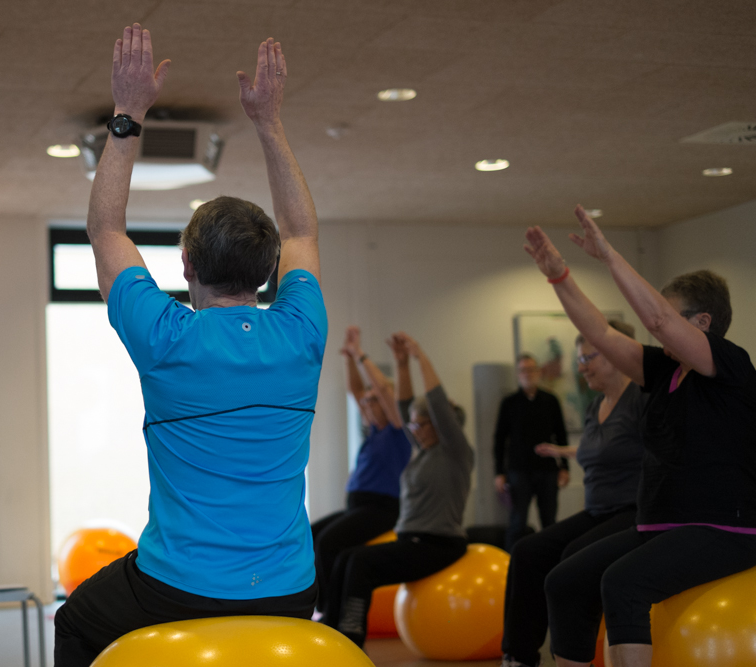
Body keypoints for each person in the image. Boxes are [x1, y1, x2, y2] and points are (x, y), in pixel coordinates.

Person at [52, 25, 327, 665]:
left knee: (74, 622)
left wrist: (128, 114)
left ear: (185, 266)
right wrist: (269, 122)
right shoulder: (302, 330)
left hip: (180, 590)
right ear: (269, 271)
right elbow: (302, 227)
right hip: (290, 591)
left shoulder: (166, 338)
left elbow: (105, 229)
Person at [525, 207, 756, 667]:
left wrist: (609, 256)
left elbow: (658, 322)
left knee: (623, 582)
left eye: (671, 312)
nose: (659, 319)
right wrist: (561, 278)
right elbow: (599, 332)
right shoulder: (666, 370)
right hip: (660, 526)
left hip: (724, 529)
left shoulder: (730, 365)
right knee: (564, 582)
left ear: (703, 323)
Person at [500, 320, 645, 667]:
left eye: (588, 358)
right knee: (527, 551)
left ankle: (575, 658)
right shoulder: (596, 407)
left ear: (616, 351)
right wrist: (562, 453)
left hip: (632, 510)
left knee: (573, 556)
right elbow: (596, 451)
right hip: (597, 510)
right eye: (579, 360)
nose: (581, 368)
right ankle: (518, 657)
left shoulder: (643, 400)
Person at [322, 331, 473, 649]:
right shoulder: (422, 452)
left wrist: (420, 358)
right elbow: (405, 408)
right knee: (347, 556)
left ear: (440, 426)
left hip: (439, 543)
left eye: (422, 424)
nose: (414, 429)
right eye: (414, 425)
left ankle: (350, 637)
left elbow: (434, 404)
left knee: (360, 563)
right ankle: (330, 628)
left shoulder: (455, 452)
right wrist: (401, 364)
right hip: (412, 539)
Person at [310, 326, 411, 617]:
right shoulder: (374, 431)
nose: (366, 404)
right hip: (358, 506)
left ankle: (331, 612)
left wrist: (361, 354)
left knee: (328, 543)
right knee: (312, 534)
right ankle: (320, 606)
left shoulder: (397, 430)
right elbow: (355, 391)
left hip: (382, 508)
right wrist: (347, 358)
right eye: (366, 402)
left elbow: (383, 389)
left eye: (373, 400)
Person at [494, 353, 571, 551]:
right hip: (518, 471)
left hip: (547, 470)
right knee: (517, 522)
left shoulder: (550, 400)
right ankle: (510, 565)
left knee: (549, 522)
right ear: (518, 374)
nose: (527, 374)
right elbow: (499, 440)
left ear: (538, 372)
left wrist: (565, 467)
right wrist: (499, 473)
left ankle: (550, 564)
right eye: (523, 370)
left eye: (531, 369)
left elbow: (561, 436)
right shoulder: (509, 403)